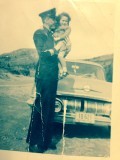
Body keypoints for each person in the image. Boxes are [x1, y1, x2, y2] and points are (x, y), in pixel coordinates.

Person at [26, 8, 65, 153]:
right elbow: (42, 53)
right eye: (53, 19)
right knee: (40, 108)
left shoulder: (53, 35)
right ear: (46, 20)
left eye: (55, 19)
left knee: (48, 109)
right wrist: (56, 49)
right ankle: (35, 142)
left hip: (52, 77)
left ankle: (45, 141)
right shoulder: (39, 33)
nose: (55, 21)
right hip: (43, 76)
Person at [53, 12, 71, 79]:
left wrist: (58, 38)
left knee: (60, 57)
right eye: (63, 20)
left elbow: (65, 35)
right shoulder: (56, 27)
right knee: (57, 58)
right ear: (59, 20)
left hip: (63, 44)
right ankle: (61, 72)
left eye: (66, 21)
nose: (64, 22)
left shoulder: (67, 28)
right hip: (57, 44)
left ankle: (65, 70)